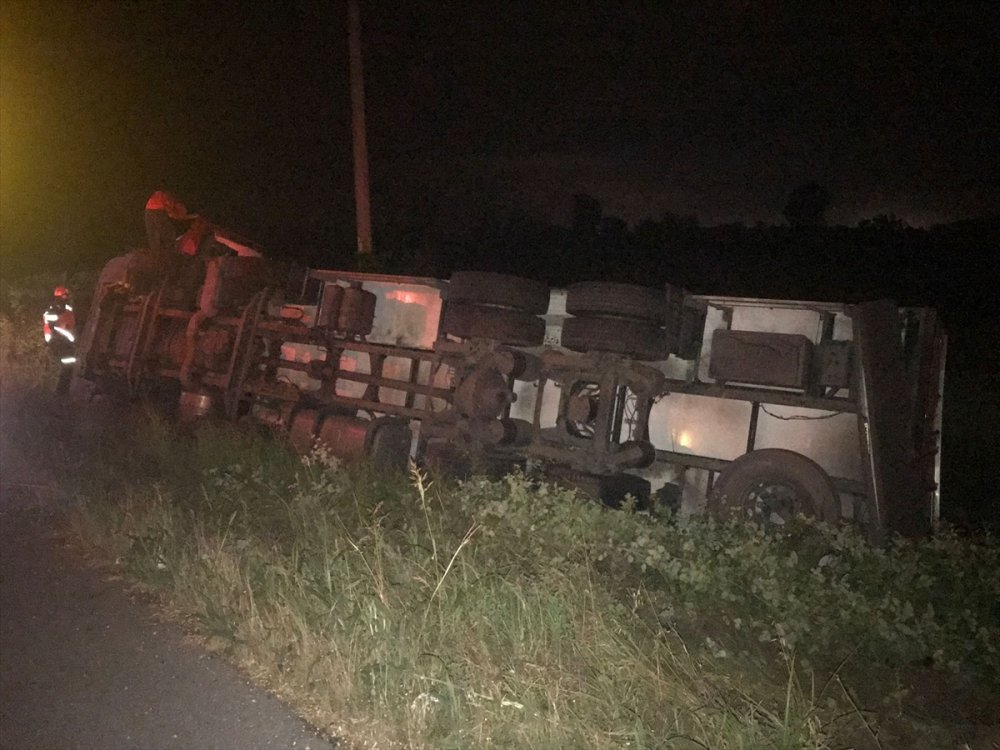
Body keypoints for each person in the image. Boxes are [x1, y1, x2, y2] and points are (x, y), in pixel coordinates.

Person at [42, 285, 77, 394]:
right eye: (65, 295)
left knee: (68, 363)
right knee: (66, 363)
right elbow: (51, 321)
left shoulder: (65, 307)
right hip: (58, 338)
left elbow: (69, 321)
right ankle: (60, 389)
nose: (67, 297)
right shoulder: (55, 307)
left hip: (63, 339)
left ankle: (62, 388)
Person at [144, 190, 198, 260]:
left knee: (154, 234)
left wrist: (192, 216)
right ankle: (169, 255)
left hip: (149, 209)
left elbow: (176, 215)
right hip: (156, 209)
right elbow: (175, 215)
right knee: (168, 233)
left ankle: (156, 255)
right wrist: (192, 216)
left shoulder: (168, 199)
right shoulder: (170, 200)